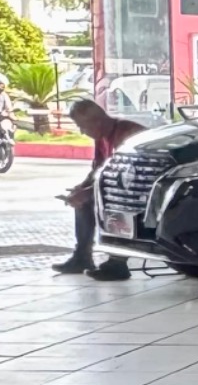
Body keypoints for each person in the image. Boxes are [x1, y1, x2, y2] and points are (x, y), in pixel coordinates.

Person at [53, 98, 143, 280]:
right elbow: (98, 168)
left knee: (113, 202)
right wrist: (82, 188)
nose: (82, 131)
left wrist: (89, 192)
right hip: (118, 187)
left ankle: (117, 262)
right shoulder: (102, 137)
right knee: (84, 203)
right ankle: (82, 256)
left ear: (97, 121)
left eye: (83, 126)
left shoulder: (126, 133)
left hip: (138, 189)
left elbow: (124, 174)